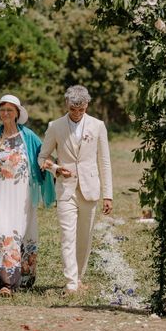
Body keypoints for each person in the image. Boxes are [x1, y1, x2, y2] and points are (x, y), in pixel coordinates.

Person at [38, 85, 113, 294]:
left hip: (90, 188)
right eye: (73, 109)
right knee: (67, 236)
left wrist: (108, 195)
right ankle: (71, 282)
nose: (77, 114)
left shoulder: (98, 126)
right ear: (67, 104)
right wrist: (55, 168)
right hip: (65, 189)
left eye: (81, 110)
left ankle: (79, 276)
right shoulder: (55, 126)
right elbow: (42, 157)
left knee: (84, 237)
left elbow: (104, 161)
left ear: (87, 105)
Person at [0, 94, 55, 296]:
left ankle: (17, 281)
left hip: (22, 194)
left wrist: (52, 167)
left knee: (19, 232)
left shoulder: (28, 136)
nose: (5, 113)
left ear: (17, 114)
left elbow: (42, 157)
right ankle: (5, 283)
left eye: (9, 110)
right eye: (2, 110)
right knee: (1, 230)